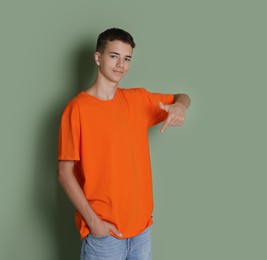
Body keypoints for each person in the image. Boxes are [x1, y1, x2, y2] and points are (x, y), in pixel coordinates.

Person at [57, 28, 191, 260]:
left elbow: (182, 97)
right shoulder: (77, 109)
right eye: (114, 56)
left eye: (127, 58)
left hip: (142, 231)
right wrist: (94, 223)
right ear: (98, 57)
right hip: (104, 236)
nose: (121, 64)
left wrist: (180, 106)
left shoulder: (137, 99)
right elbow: (64, 172)